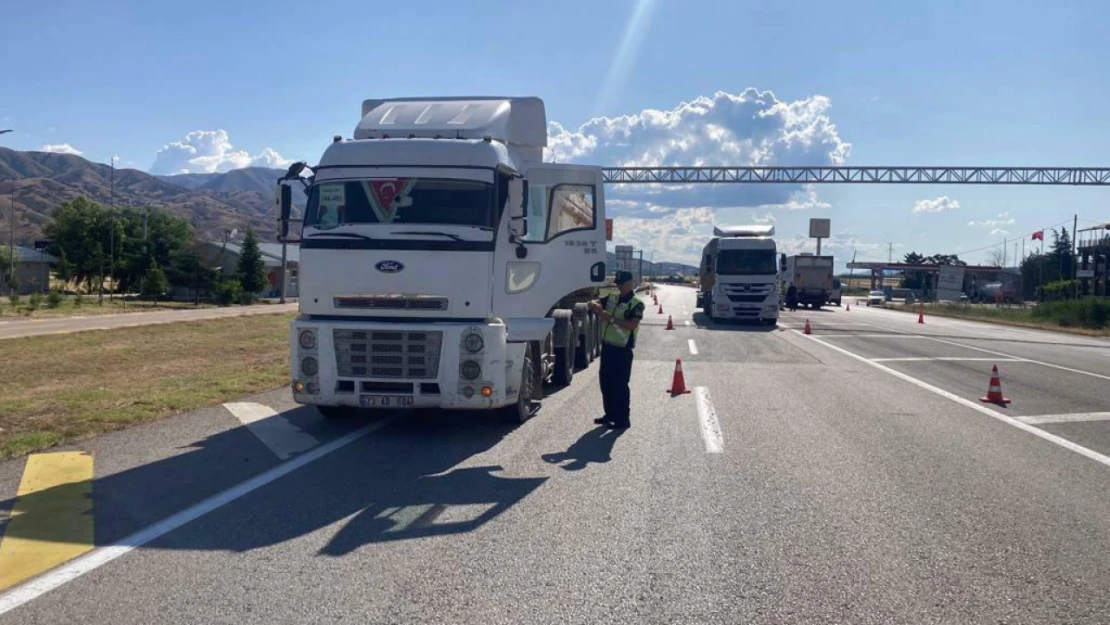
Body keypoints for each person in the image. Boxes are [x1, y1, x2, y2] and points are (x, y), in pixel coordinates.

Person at [588, 271, 645, 429]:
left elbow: (632, 325)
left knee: (620, 385)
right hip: (608, 346)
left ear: (630, 283)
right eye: (617, 284)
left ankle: (623, 419)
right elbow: (595, 301)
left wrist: (608, 317)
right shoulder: (613, 297)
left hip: (623, 349)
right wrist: (594, 304)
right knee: (605, 383)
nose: (619, 287)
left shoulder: (636, 303)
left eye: (621, 284)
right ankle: (610, 414)